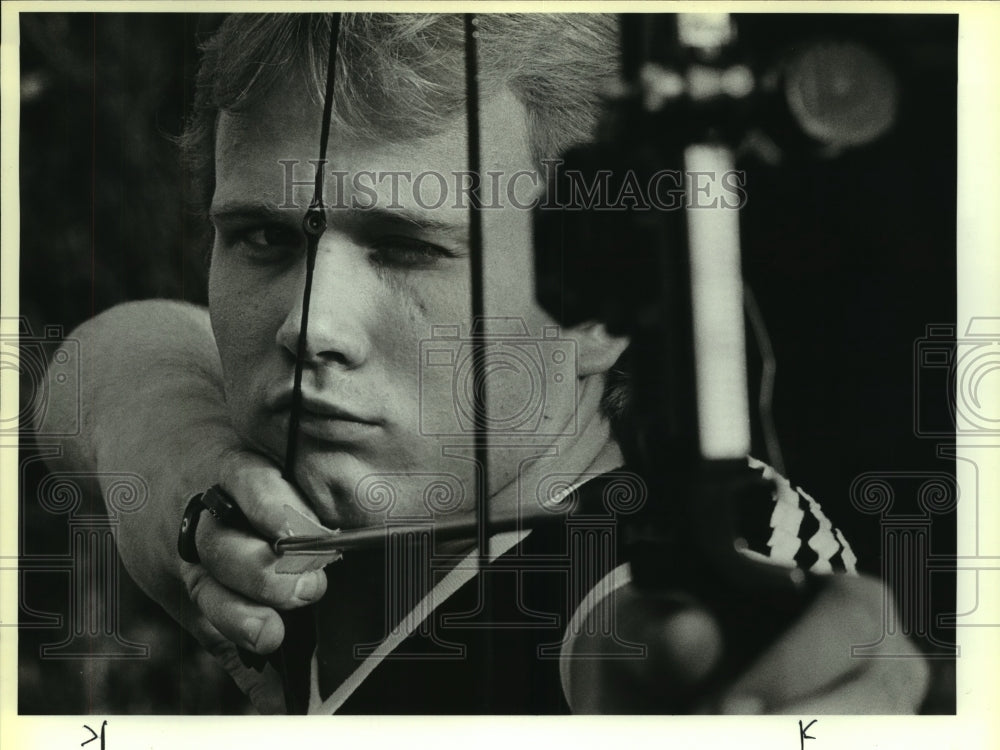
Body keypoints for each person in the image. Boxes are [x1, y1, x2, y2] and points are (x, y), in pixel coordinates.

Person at [44, 12, 928, 714]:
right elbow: (107, 356)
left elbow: (675, 638)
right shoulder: (332, 536)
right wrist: (178, 454)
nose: (310, 325)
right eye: (263, 237)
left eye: (407, 248)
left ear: (600, 292)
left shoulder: (647, 570)